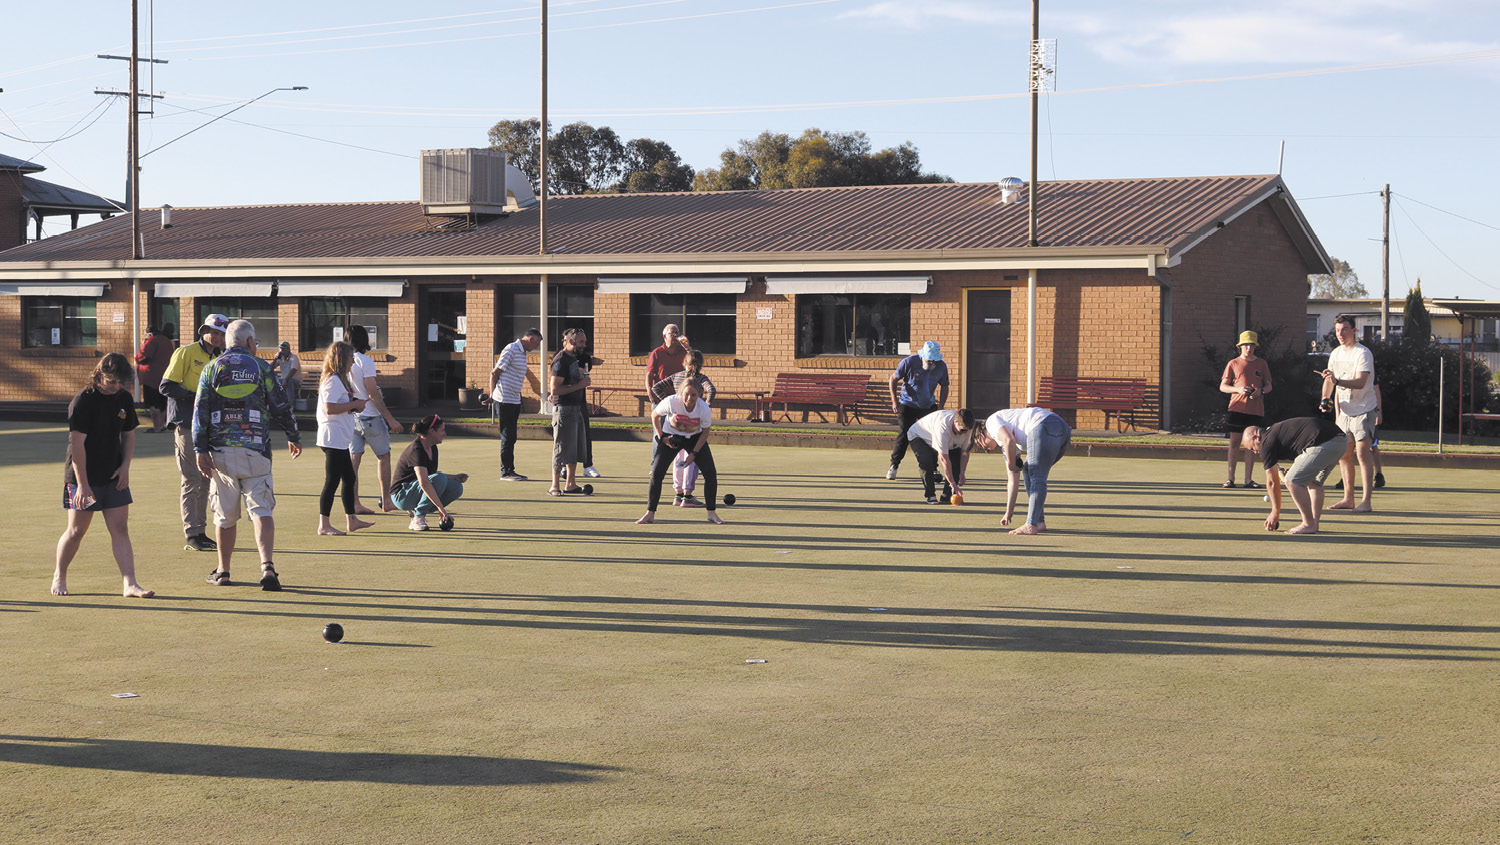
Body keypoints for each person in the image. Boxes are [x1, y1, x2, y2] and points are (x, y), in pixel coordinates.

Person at [193, 320, 303, 590]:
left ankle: (224, 570)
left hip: (221, 453)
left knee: (224, 515)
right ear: (250, 342)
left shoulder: (211, 368)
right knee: (261, 509)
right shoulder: (262, 367)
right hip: (256, 450)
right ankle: (267, 568)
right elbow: (280, 405)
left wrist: (200, 449)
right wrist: (293, 436)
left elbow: (200, 412)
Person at [52, 353, 153, 598]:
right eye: (111, 382)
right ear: (99, 375)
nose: (115, 387)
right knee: (77, 531)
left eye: (120, 382)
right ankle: (59, 576)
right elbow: (77, 446)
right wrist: (84, 486)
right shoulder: (83, 401)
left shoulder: (124, 398)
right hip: (82, 476)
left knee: (120, 528)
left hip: (114, 474)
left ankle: (130, 584)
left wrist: (125, 467)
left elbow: (128, 435)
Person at [160, 313, 229, 552]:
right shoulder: (186, 352)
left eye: (222, 333)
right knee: (192, 479)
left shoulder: (221, 356)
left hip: (210, 425)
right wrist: (197, 397)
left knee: (205, 479)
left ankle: (200, 531)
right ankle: (192, 533)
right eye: (214, 332)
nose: (218, 337)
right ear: (203, 332)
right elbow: (166, 386)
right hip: (188, 424)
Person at [637, 377, 724, 525]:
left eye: (693, 395)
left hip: (694, 438)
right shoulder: (671, 402)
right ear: (680, 392)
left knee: (710, 474)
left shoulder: (703, 409)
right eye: (686, 394)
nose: (689, 398)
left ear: (699, 394)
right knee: (657, 474)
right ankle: (650, 513)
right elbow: (655, 416)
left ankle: (711, 513)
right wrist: (661, 438)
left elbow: (705, 433)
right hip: (672, 437)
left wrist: (694, 454)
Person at [1242, 417, 1347, 536]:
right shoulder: (1275, 431)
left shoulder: (1265, 442)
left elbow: (1272, 482)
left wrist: (1275, 512)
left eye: (1252, 448)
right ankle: (1314, 524)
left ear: (1255, 437)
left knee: (1292, 481)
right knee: (1314, 484)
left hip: (1323, 444)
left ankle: (1308, 524)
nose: (1255, 452)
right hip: (1341, 442)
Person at [315, 341, 375, 536]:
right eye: (350, 358)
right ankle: (324, 525)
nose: (352, 362)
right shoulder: (332, 380)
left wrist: (353, 404)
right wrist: (354, 404)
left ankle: (352, 520)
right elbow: (329, 408)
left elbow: (338, 405)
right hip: (332, 437)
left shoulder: (339, 380)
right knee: (332, 481)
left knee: (349, 477)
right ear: (342, 359)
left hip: (340, 437)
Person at [982, 407, 1072, 535]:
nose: (985, 448)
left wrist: (1012, 465)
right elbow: (1013, 480)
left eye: (980, 443)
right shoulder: (1007, 447)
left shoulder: (990, 423)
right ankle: (1039, 522)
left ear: (980, 433)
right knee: (1028, 471)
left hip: (1043, 424)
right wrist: (1009, 511)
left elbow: (1009, 440)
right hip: (1063, 430)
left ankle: (1031, 524)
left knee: (1036, 475)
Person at [1320, 315, 1376, 513]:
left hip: (1364, 409)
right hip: (1344, 412)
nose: (1341, 334)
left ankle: (1366, 501)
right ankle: (1348, 499)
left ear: (1354, 330)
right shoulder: (1335, 353)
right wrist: (1325, 400)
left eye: (1344, 329)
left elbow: (1361, 382)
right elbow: (1329, 379)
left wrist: (1337, 382)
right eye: (1337, 330)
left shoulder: (1363, 353)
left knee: (1362, 453)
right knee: (1343, 455)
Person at [346, 325, 404, 514]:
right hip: (370, 416)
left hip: (351, 415)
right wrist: (390, 419)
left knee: (354, 460)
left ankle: (354, 503)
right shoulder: (365, 361)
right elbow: (373, 393)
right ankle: (386, 500)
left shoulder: (343, 361)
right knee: (383, 456)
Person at [648, 350, 717, 507]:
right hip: (689, 425)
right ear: (701, 364)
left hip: (676, 423)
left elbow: (656, 388)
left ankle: (678, 493)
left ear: (684, 363)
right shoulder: (701, 379)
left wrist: (664, 403)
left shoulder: (677, 375)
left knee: (678, 460)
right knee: (690, 462)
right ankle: (687, 494)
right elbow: (712, 390)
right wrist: (705, 405)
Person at [390, 414, 469, 531]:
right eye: (442, 430)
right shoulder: (416, 450)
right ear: (432, 431)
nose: (445, 434)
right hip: (402, 495)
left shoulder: (432, 447)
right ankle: (418, 517)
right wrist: (441, 509)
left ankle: (417, 511)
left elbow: (431, 477)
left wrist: (455, 477)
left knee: (456, 487)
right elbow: (425, 482)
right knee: (440, 478)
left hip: (414, 489)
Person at [484, 328, 542, 481]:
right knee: (507, 436)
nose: (536, 348)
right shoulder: (511, 349)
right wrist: (491, 395)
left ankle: (510, 470)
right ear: (530, 339)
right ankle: (506, 472)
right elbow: (494, 372)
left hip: (514, 400)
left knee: (512, 437)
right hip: (503, 399)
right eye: (536, 344)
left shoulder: (522, 353)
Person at [886, 341, 949, 480]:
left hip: (928, 406)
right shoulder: (909, 362)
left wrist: (941, 406)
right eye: (929, 359)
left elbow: (945, 385)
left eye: (934, 359)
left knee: (932, 436)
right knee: (904, 434)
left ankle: (933, 469)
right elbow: (893, 379)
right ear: (923, 356)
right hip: (907, 404)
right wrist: (894, 401)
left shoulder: (941, 366)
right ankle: (894, 465)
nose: (931, 362)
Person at [1219, 330, 1273, 488]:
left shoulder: (1261, 363)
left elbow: (1269, 385)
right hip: (1236, 408)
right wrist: (1238, 390)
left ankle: (1248, 480)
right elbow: (1223, 386)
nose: (1248, 348)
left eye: (1251, 345)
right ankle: (1230, 478)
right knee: (1234, 442)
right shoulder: (1233, 363)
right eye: (1245, 345)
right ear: (1240, 346)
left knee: (1251, 445)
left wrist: (1260, 391)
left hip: (1255, 410)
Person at [547, 328, 591, 496]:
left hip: (576, 407)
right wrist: (580, 385)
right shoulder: (560, 360)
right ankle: (554, 486)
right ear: (571, 341)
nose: (584, 345)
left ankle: (570, 484)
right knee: (561, 447)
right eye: (581, 342)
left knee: (575, 448)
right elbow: (555, 388)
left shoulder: (575, 359)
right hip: (564, 410)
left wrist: (580, 377)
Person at [906, 408, 975, 504]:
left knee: (956, 462)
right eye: (962, 430)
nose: (963, 433)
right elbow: (944, 459)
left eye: (966, 431)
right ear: (955, 422)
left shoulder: (967, 429)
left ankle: (946, 495)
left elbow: (965, 453)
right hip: (919, 435)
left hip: (948, 441)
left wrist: (962, 473)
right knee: (926, 460)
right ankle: (930, 495)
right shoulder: (942, 428)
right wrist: (952, 483)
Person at [134, 324, 173, 432]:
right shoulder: (166, 341)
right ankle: (162, 425)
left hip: (151, 377)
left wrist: (144, 344)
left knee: (153, 404)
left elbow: (142, 357)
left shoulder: (152, 340)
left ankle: (156, 426)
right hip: (164, 376)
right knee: (162, 403)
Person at [645, 323, 689, 388]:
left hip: (679, 394)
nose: (675, 335)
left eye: (677, 333)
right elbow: (649, 375)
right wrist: (650, 392)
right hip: (661, 393)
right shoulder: (657, 353)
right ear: (665, 336)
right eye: (672, 333)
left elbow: (694, 366)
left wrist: (687, 348)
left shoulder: (684, 352)